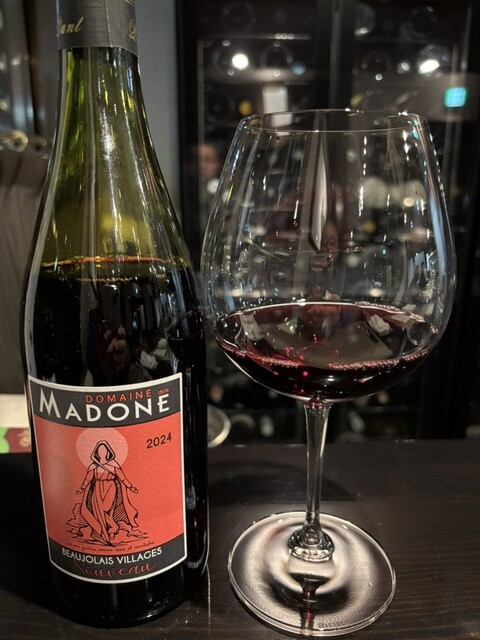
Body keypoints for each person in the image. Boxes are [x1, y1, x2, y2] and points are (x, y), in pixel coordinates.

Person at [68, 441, 143, 546]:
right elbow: (88, 479)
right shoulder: (93, 466)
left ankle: (113, 527)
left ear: (108, 452)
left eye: (104, 450)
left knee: (106, 508)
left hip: (110, 487)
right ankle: (109, 529)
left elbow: (122, 478)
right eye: (100, 450)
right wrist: (82, 488)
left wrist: (130, 487)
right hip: (97, 488)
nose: (102, 452)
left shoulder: (113, 464)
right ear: (97, 452)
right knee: (98, 511)